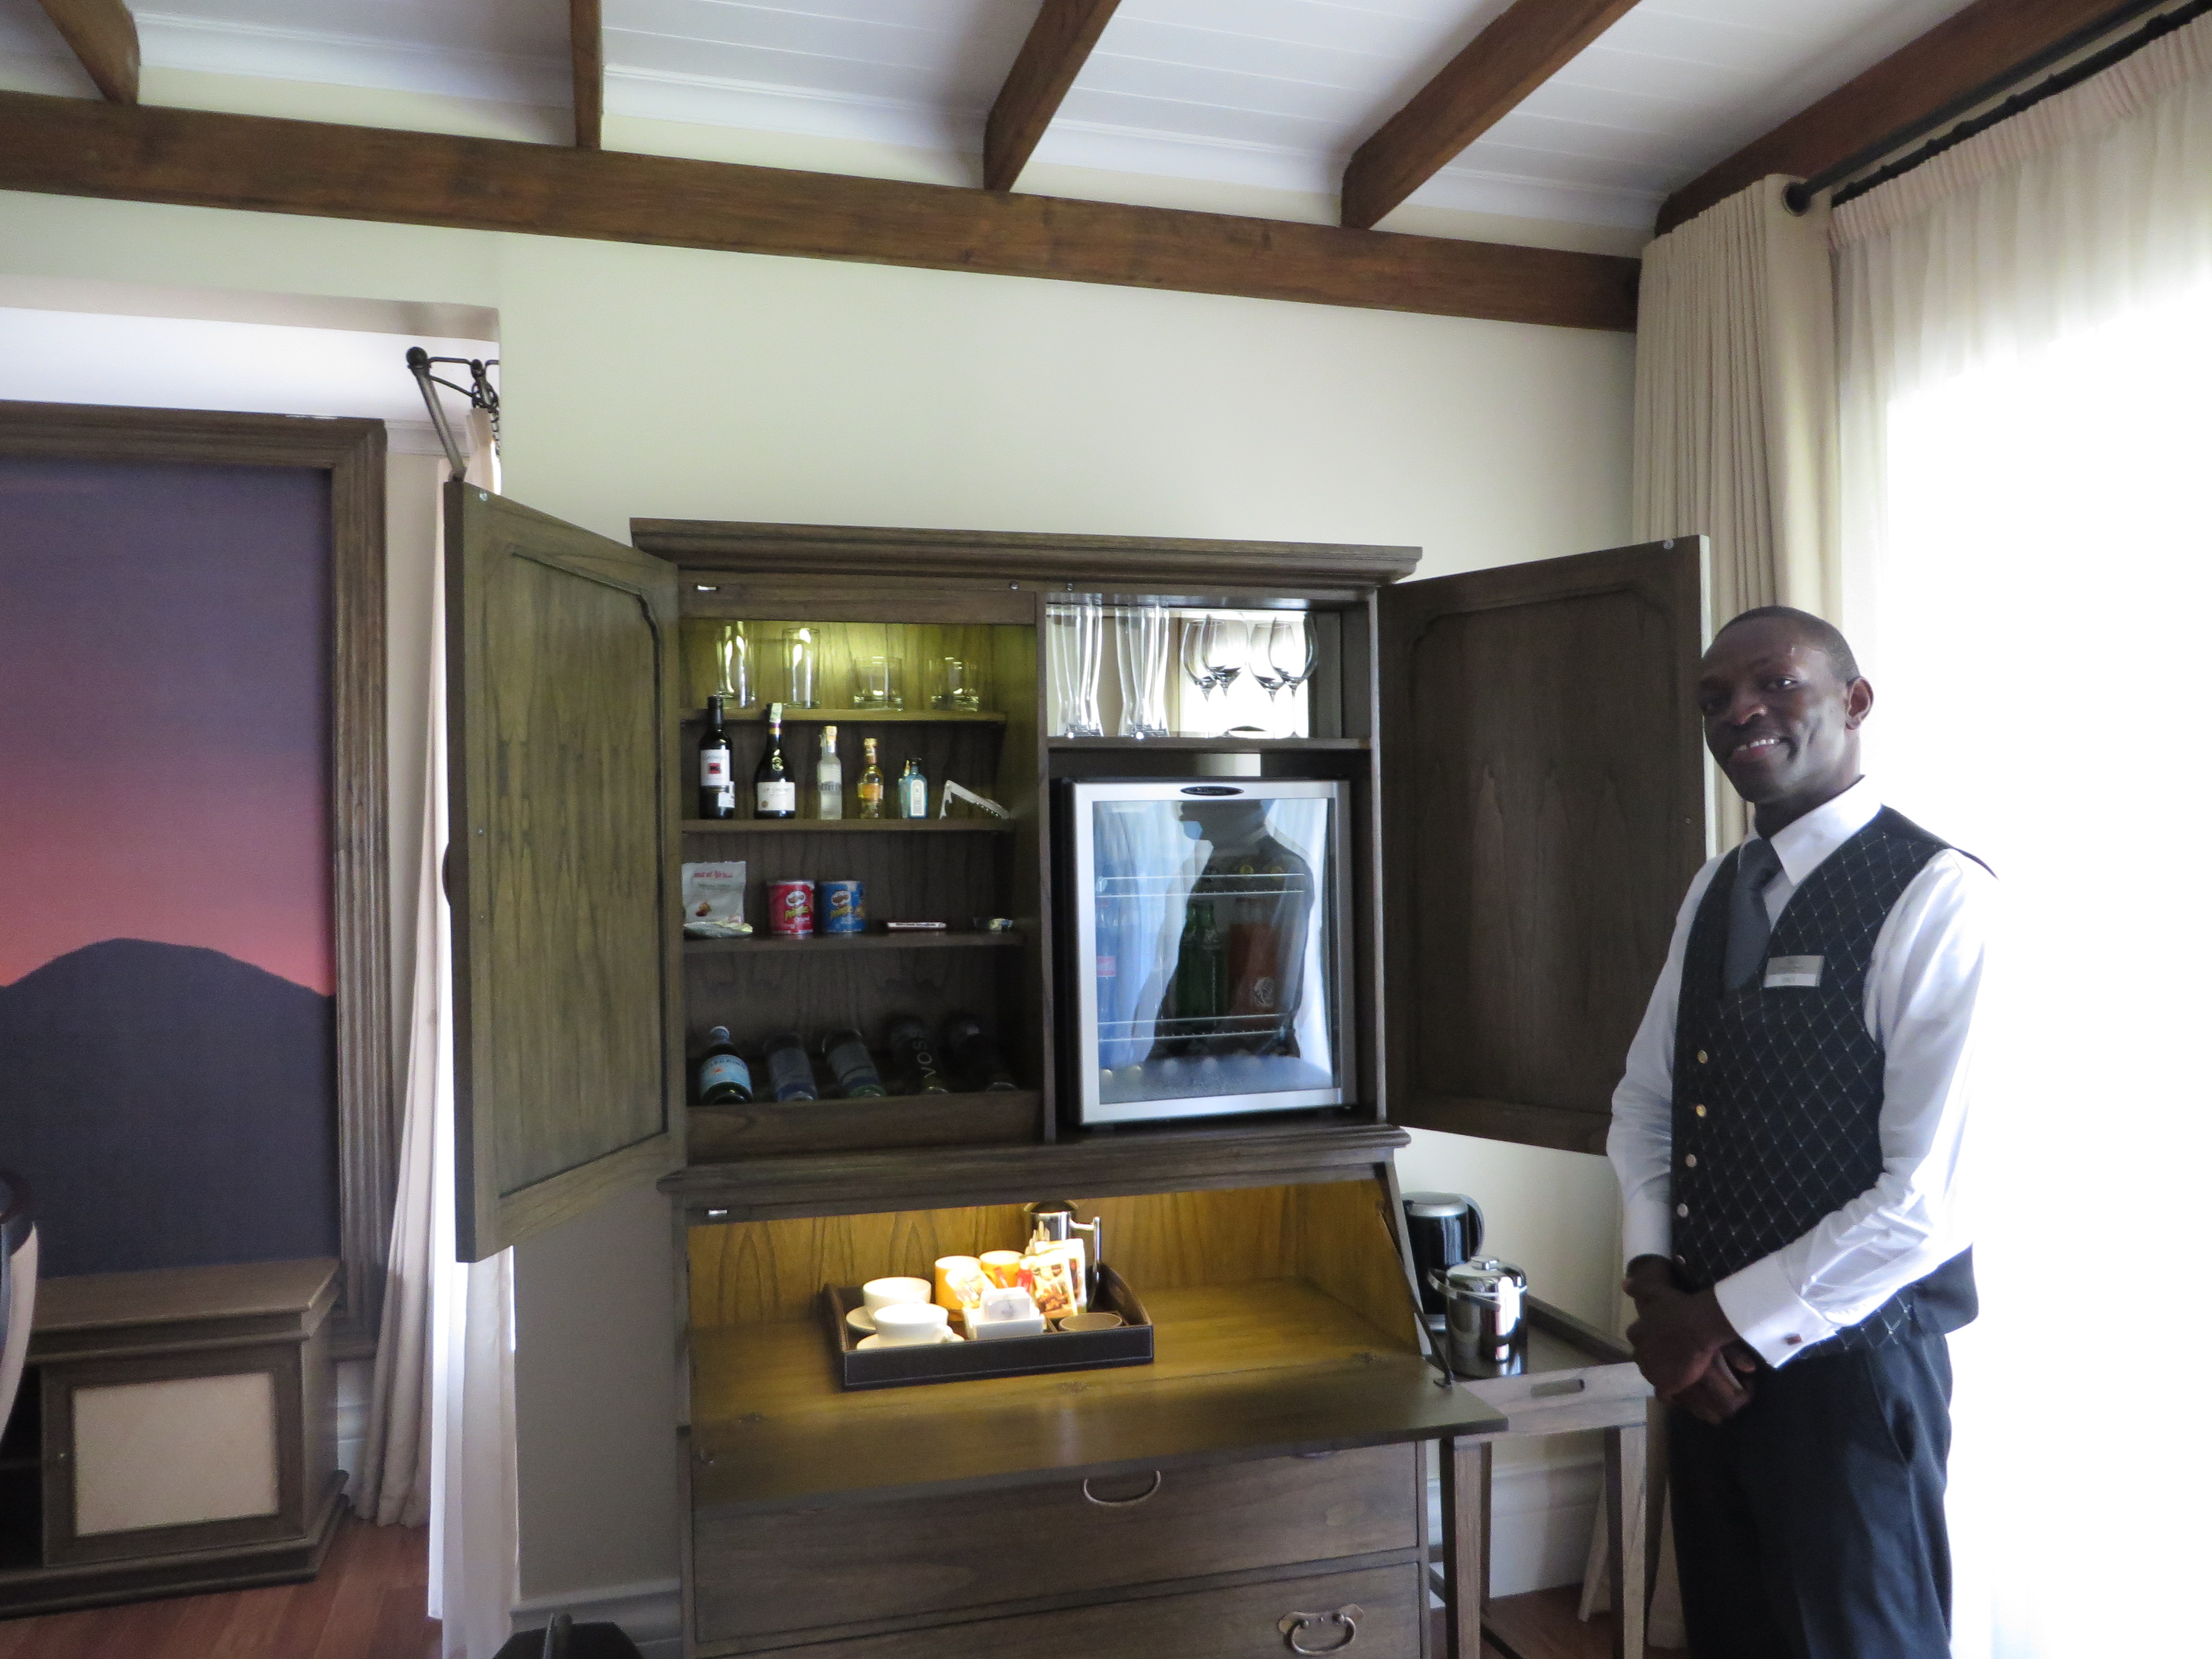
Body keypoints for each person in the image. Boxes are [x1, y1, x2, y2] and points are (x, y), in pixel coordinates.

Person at [1607, 606, 1994, 1658]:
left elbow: (1928, 1200)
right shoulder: (1716, 888)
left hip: (1853, 1377)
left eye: (1775, 684)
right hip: (1707, 1379)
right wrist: (1657, 1288)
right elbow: (1646, 1103)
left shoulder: (1939, 895)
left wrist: (1715, 1322)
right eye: (1715, 699)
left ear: (1855, 702)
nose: (1741, 712)